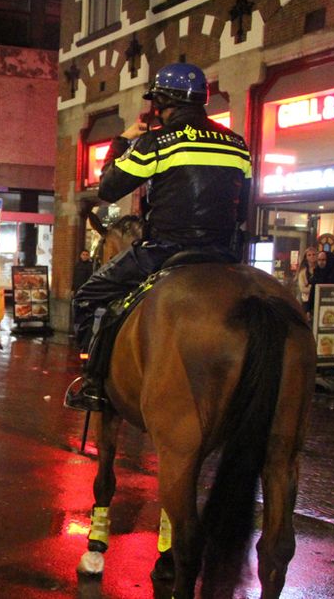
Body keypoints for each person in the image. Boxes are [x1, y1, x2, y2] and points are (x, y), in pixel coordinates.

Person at [66, 62, 252, 412]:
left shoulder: (158, 141)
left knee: (88, 296)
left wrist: (123, 141)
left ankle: (93, 380)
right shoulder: (237, 143)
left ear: (164, 103)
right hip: (223, 255)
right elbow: (243, 209)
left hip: (166, 250)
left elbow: (108, 188)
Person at [296, 246, 318, 315]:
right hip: (307, 301)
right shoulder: (302, 273)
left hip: (318, 299)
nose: (312, 256)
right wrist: (314, 288)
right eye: (309, 255)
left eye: (314, 254)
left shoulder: (320, 270)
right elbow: (303, 289)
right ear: (306, 257)